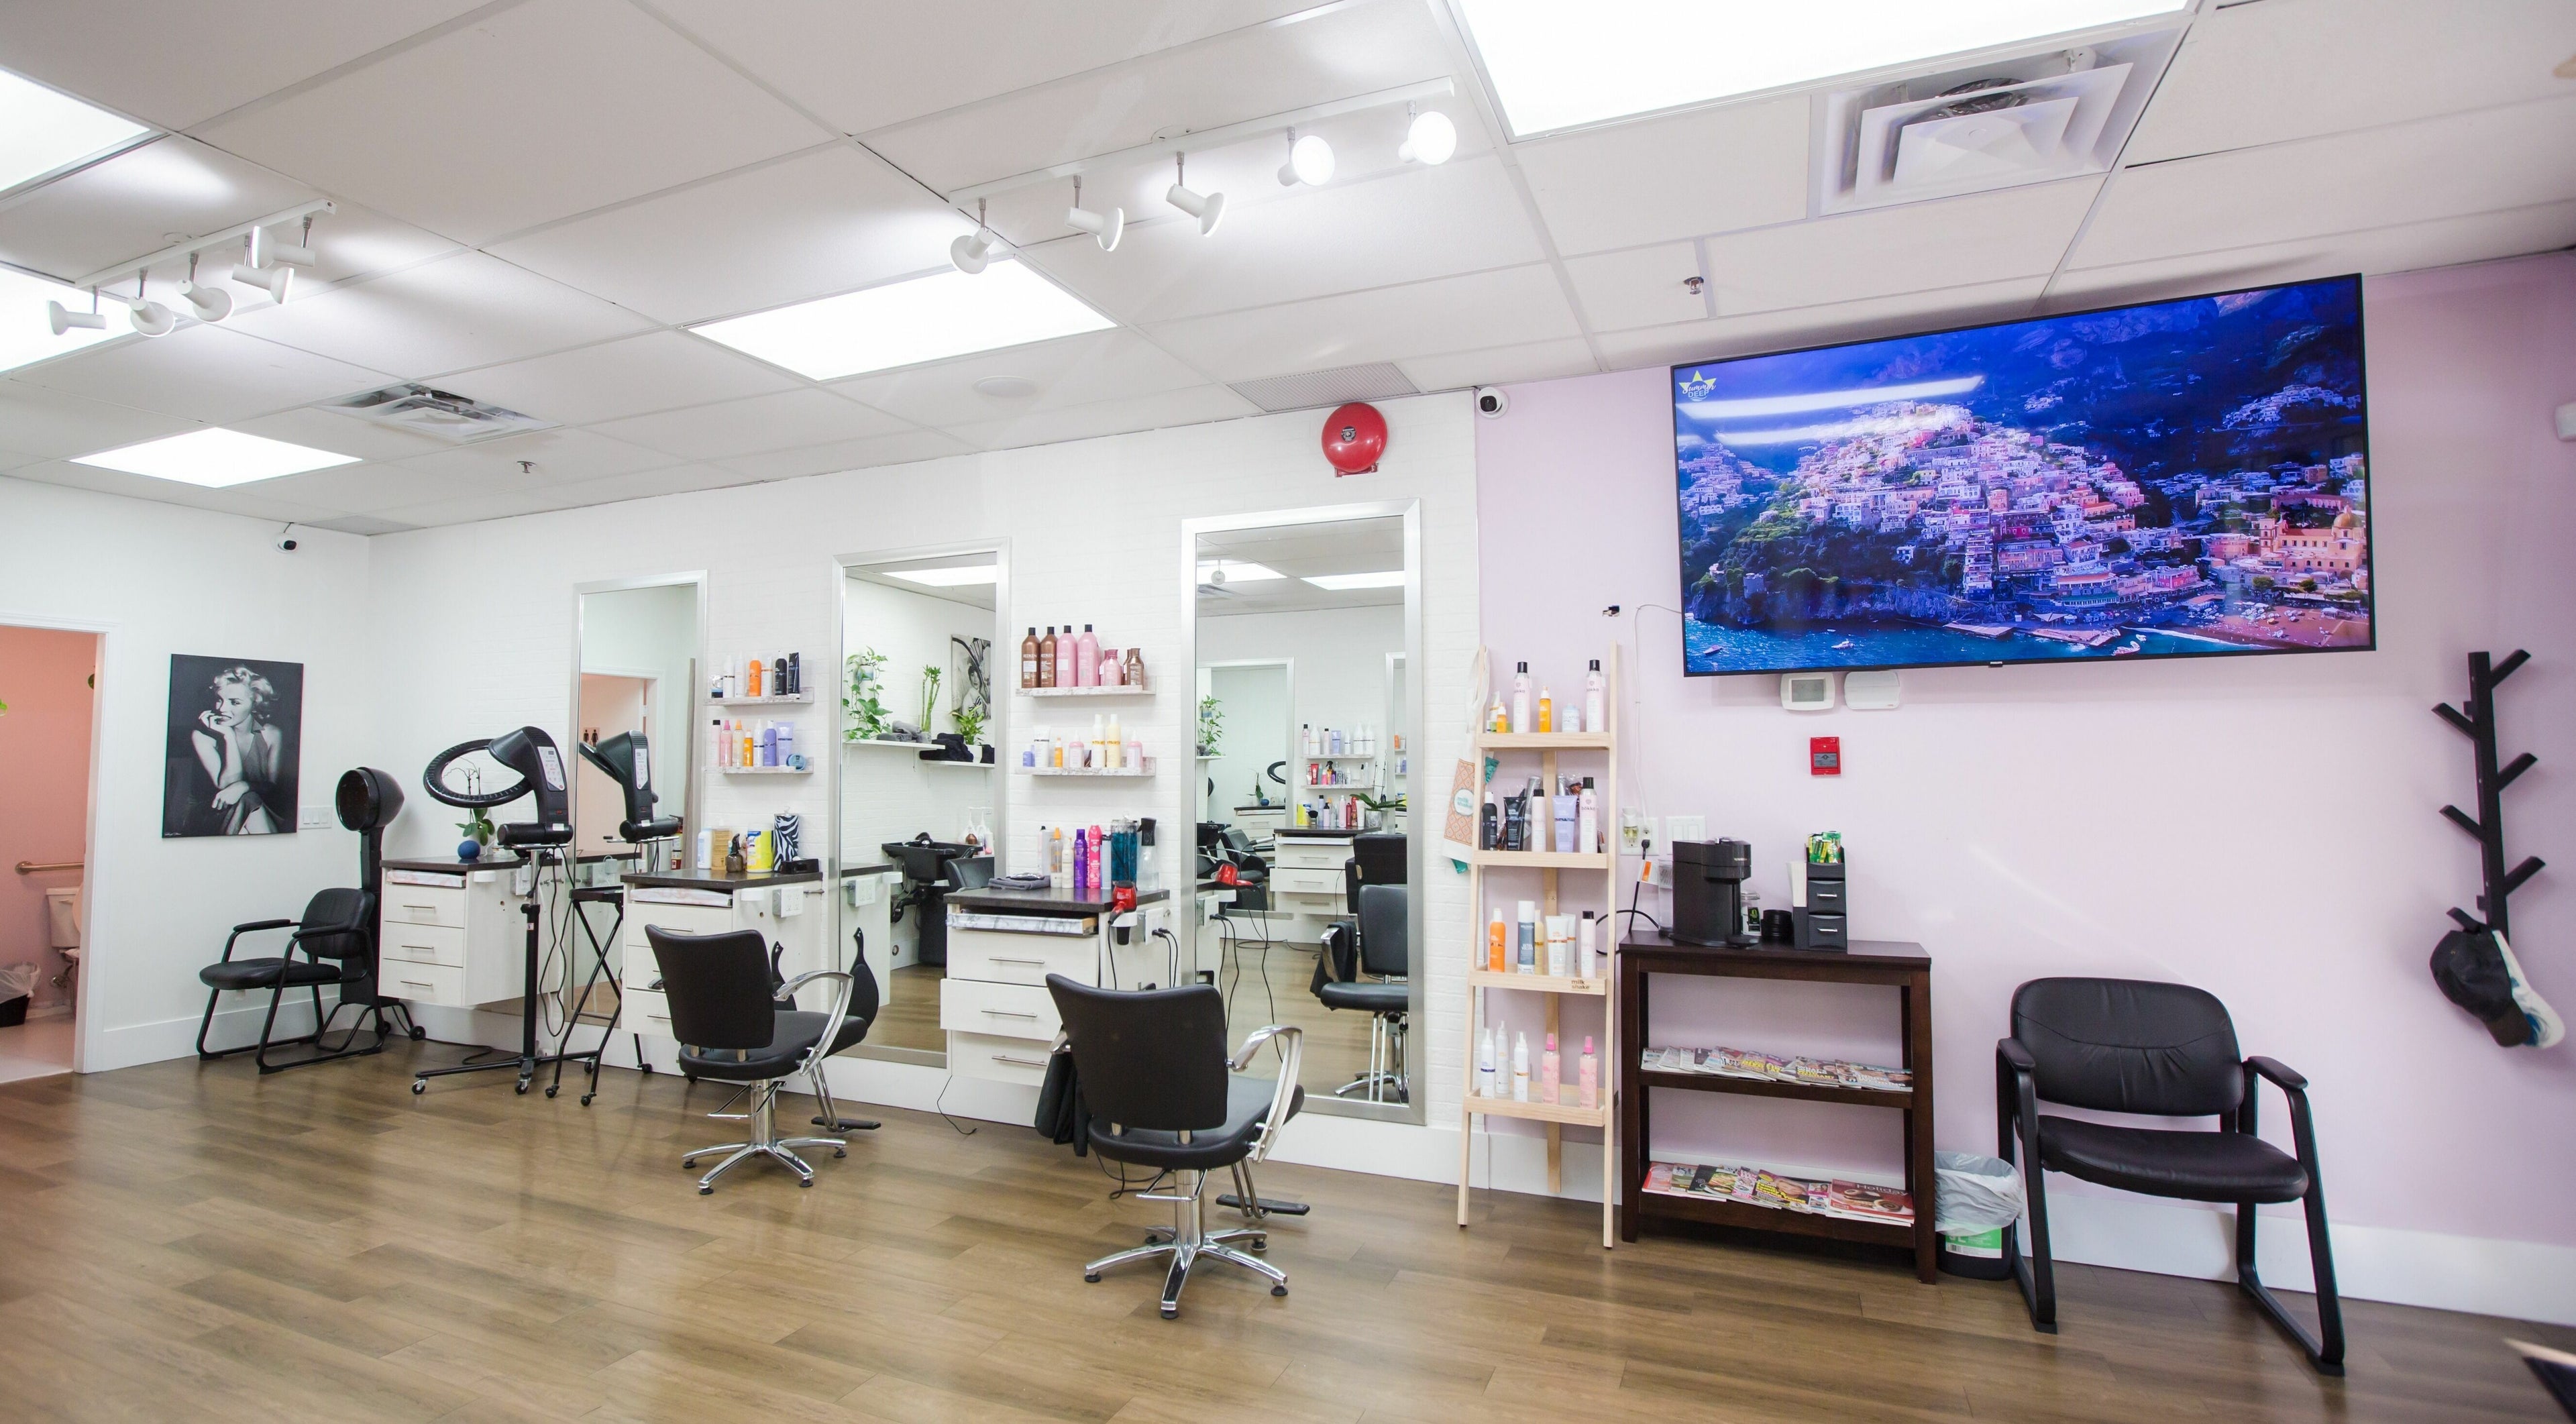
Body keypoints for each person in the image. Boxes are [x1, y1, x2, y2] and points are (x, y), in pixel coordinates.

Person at [190, 665, 284, 835]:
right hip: (214, 814)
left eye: (234, 702)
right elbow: (227, 786)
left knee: (250, 800)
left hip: (262, 811)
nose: (222, 709)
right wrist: (229, 737)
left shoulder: (272, 735)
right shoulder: (201, 736)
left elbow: (273, 788)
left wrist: (244, 786)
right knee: (249, 801)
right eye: (219, 699)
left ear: (255, 704)